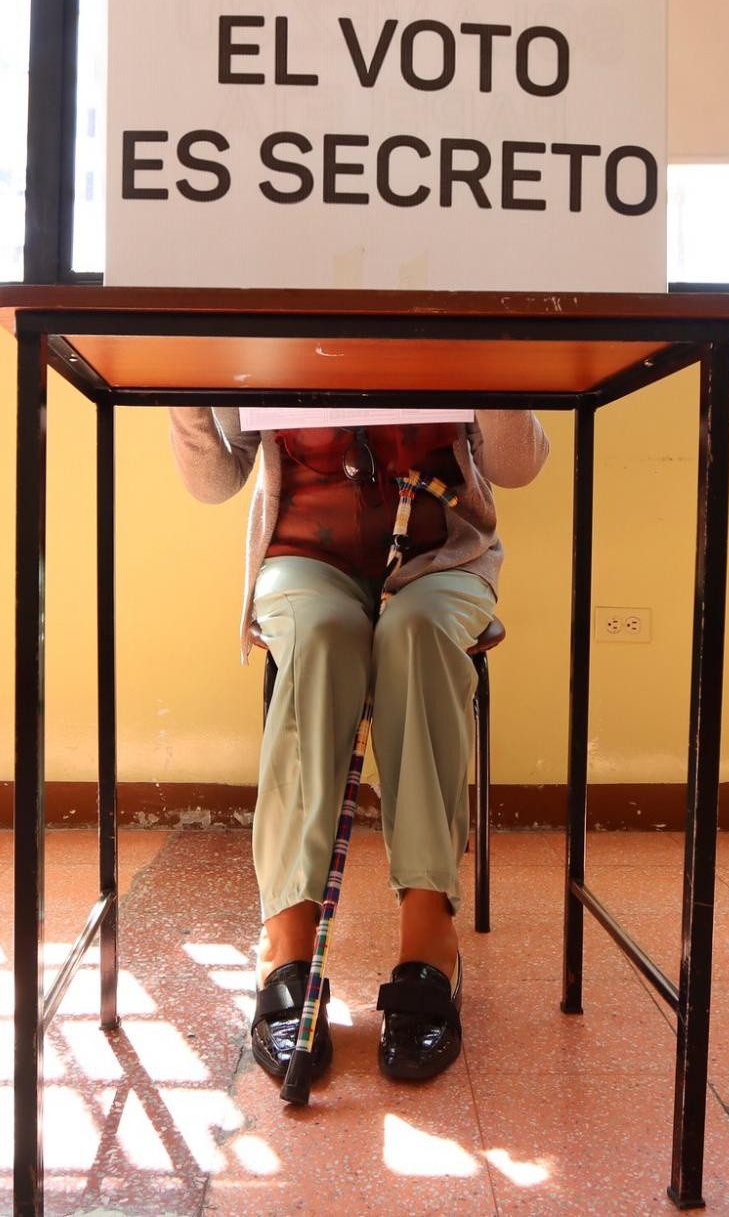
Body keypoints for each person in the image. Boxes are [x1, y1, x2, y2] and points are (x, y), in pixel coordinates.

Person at [169, 409, 549, 1082]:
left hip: (443, 557)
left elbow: (518, 467)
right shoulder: (262, 312)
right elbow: (213, 482)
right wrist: (189, 385)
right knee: (319, 640)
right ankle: (286, 933)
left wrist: (491, 350)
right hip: (304, 558)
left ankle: (430, 932)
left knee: (418, 635)